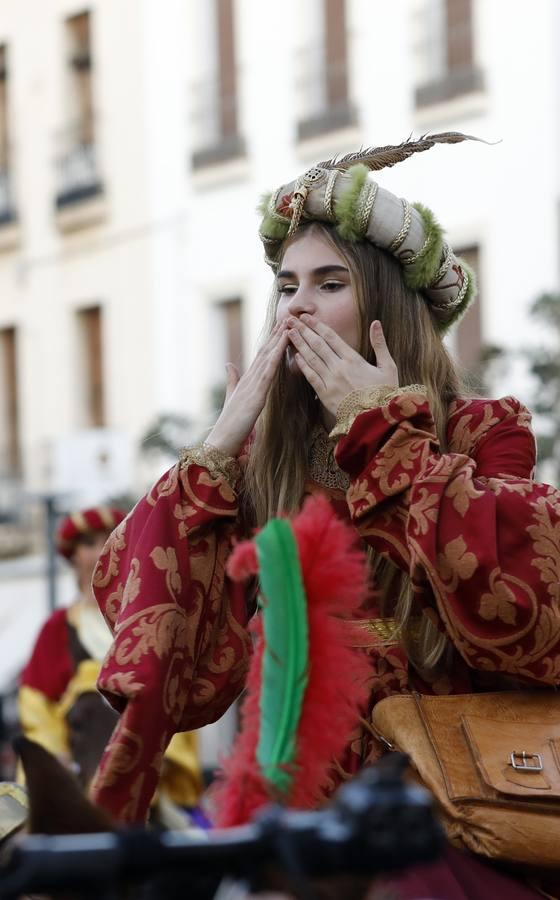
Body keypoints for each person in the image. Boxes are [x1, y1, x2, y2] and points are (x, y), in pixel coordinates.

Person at [89, 135, 559, 894]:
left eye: (329, 282)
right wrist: (213, 452)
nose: (298, 305)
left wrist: (382, 439)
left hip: (440, 809)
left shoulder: (480, 431)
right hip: (284, 803)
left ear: (389, 310)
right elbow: (156, 636)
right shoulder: (255, 464)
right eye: (286, 285)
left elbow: (520, 603)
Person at [18, 506, 203, 817]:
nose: (102, 550)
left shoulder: (155, 621)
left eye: (111, 539)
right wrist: (56, 759)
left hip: (151, 781)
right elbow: (38, 711)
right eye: (90, 543)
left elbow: (179, 696)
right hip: (80, 782)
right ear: (74, 556)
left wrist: (163, 757)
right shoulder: (56, 630)